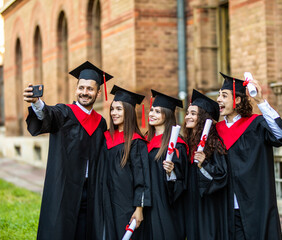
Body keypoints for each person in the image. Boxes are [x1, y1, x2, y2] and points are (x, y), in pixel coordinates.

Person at [23, 61, 112, 240]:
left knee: (85, 231)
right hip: (64, 189)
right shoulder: (64, 113)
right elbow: (48, 113)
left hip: (91, 189)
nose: (85, 92)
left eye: (90, 89)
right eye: (81, 88)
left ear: (98, 93)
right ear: (76, 89)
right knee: (61, 230)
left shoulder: (101, 123)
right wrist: (37, 103)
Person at [216, 72, 282, 240]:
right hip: (225, 206)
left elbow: (280, 136)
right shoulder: (216, 130)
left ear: (238, 100)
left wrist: (261, 101)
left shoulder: (255, 125)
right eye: (219, 95)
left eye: (224, 95)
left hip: (254, 205)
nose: (219, 99)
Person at [93, 85, 151, 240]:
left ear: (129, 111)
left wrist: (139, 208)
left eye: (119, 109)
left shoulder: (136, 142)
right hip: (105, 200)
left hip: (125, 203)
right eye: (112, 109)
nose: (114, 113)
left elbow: (142, 179)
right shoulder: (105, 138)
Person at [183, 89, 229, 240]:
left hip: (208, 205)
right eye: (188, 113)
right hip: (191, 202)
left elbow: (221, 175)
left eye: (193, 114)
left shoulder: (214, 144)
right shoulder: (186, 144)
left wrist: (204, 164)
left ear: (202, 118)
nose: (187, 117)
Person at [143, 89, 188, 240]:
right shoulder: (144, 141)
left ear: (167, 115)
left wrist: (171, 173)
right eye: (151, 110)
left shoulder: (176, 145)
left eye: (157, 111)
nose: (152, 114)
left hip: (165, 206)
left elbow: (182, 182)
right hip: (144, 204)